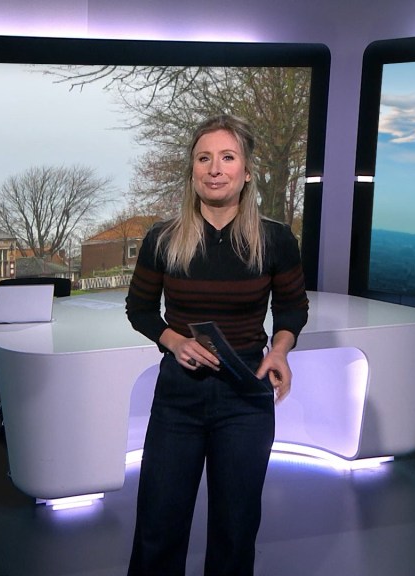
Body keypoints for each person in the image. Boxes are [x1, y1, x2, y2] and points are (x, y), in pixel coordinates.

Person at [125, 114, 309, 576]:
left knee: (234, 531)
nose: (214, 169)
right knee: (158, 528)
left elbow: (292, 308)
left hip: (245, 393)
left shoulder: (275, 240)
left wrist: (280, 350)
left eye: (227, 157)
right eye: (204, 158)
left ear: (246, 171)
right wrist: (173, 341)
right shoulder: (163, 239)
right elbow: (139, 308)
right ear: (192, 170)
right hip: (179, 396)